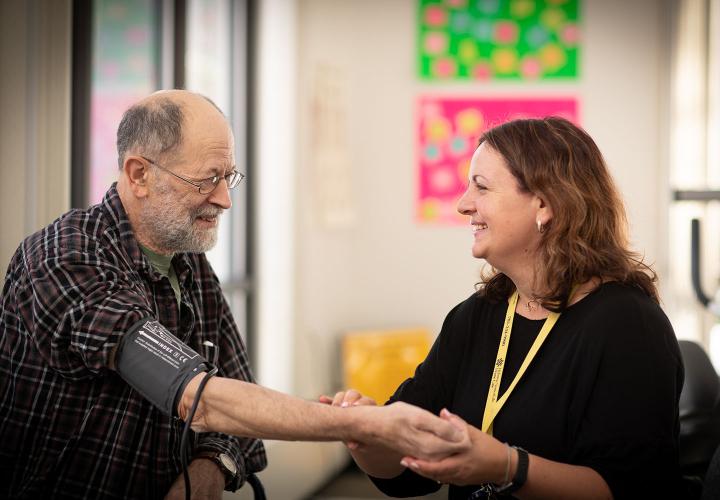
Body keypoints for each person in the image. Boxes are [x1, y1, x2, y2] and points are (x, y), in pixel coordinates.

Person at [0, 90, 470, 500]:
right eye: (207, 179)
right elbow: (200, 399)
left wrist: (212, 467)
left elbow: (233, 397)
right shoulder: (65, 257)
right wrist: (360, 424)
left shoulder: (190, 263)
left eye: (230, 177)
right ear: (139, 174)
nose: (225, 199)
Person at [323, 117, 684, 499]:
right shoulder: (477, 316)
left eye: (481, 187)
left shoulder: (630, 326)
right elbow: (408, 470)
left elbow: (633, 490)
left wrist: (506, 466)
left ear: (545, 203)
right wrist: (367, 434)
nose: (463, 205)